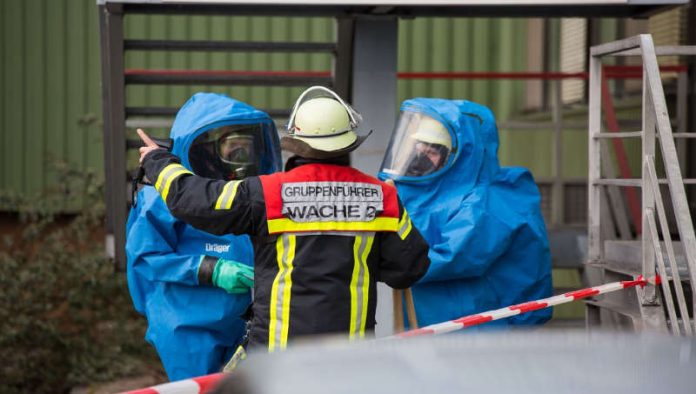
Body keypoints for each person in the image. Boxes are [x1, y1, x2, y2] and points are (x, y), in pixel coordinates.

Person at [137, 86, 431, 351]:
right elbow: (408, 270)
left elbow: (193, 200)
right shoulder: (383, 197)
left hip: (278, 360)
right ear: (348, 142)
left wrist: (156, 160)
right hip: (348, 360)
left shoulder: (267, 192)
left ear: (297, 140)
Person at [126, 92, 282, 380]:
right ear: (206, 151)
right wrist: (212, 269)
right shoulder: (161, 196)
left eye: (248, 149)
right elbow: (145, 259)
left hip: (243, 319)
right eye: (233, 150)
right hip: (186, 323)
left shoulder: (242, 196)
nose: (242, 161)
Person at [379, 98, 552, 328]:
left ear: (460, 155)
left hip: (473, 330)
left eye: (431, 151)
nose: (420, 157)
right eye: (417, 147)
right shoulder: (418, 191)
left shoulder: (489, 202)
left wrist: (375, 262)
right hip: (425, 325)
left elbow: (451, 258)